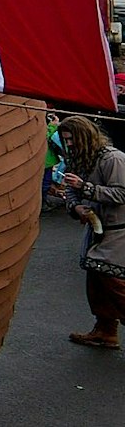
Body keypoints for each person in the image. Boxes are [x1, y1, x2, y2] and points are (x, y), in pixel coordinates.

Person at [58, 115, 125, 350]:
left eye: (72, 139)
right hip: (97, 228)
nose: (69, 145)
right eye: (66, 140)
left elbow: (121, 194)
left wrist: (85, 188)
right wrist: (76, 207)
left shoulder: (113, 159)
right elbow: (71, 190)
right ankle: (105, 331)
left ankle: (106, 331)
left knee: (114, 282)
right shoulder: (79, 159)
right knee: (96, 280)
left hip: (118, 230)